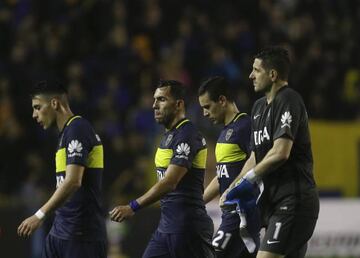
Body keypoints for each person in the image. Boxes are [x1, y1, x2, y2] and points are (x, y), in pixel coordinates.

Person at [222, 46, 319, 258]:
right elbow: (255, 157)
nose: (251, 75)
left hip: (294, 200)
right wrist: (233, 186)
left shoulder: (289, 99)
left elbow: (281, 152)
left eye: (256, 70)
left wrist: (249, 179)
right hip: (273, 203)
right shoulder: (257, 108)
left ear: (273, 74)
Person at [110, 80, 215, 258]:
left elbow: (170, 182)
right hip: (167, 224)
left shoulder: (187, 135)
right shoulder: (167, 136)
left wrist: (132, 206)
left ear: (179, 104)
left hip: (188, 226)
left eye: (161, 100)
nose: (154, 105)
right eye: (154, 100)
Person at [17, 80, 107, 258]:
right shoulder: (65, 134)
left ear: (54, 103)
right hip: (61, 230)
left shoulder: (78, 129)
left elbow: (73, 181)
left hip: (82, 234)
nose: (34, 115)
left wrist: (39, 215)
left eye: (37, 107)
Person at [198, 76, 260, 258]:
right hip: (232, 216)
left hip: (241, 215)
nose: (204, 113)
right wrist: (198, 202)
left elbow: (256, 162)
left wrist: (233, 189)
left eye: (207, 106)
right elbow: (223, 176)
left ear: (222, 100)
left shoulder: (245, 126)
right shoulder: (225, 132)